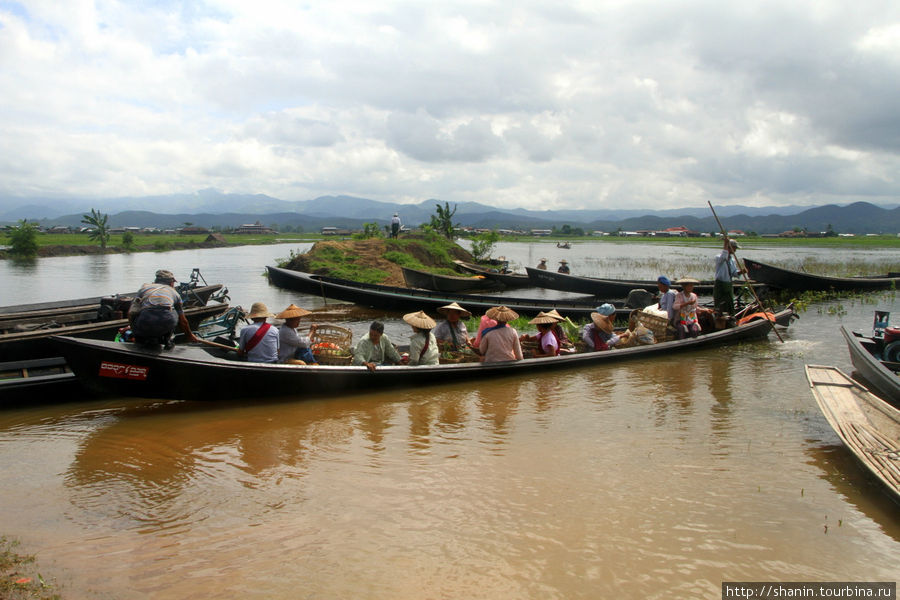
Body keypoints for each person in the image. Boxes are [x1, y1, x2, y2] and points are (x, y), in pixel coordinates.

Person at [129, 269, 200, 348]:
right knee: (174, 312)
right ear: (171, 282)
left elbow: (131, 313)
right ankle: (167, 340)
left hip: (145, 321)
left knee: (140, 313)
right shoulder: (175, 293)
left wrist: (135, 332)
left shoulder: (144, 288)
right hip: (166, 322)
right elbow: (183, 321)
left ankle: (140, 339)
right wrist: (189, 335)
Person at [714, 238, 745, 315]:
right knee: (719, 303)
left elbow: (734, 273)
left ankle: (731, 317)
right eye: (734, 248)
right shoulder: (719, 257)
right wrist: (725, 244)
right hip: (720, 284)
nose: (735, 250)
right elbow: (724, 256)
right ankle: (719, 319)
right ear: (730, 247)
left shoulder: (732, 260)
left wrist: (741, 272)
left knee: (729, 303)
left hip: (728, 284)